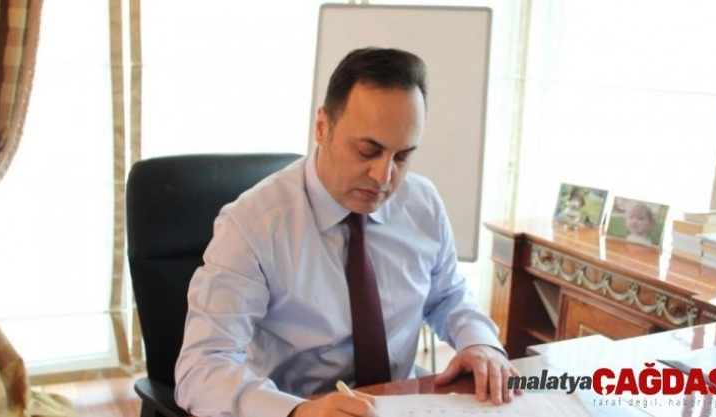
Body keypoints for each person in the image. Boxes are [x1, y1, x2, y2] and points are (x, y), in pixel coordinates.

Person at [174, 47, 520, 417]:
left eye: (402, 156)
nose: (384, 177)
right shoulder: (252, 225)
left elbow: (447, 294)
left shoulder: (423, 203)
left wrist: (479, 342)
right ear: (322, 127)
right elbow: (202, 368)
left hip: (396, 406)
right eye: (368, 151)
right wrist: (298, 412)